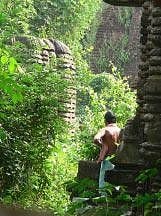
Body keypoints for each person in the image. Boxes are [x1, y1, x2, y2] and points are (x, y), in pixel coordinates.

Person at [94, 110, 121, 190]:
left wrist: (104, 146)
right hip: (118, 162)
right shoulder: (120, 131)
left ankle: (103, 202)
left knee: (103, 189)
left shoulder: (105, 130)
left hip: (107, 161)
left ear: (105, 121)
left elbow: (95, 139)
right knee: (116, 188)